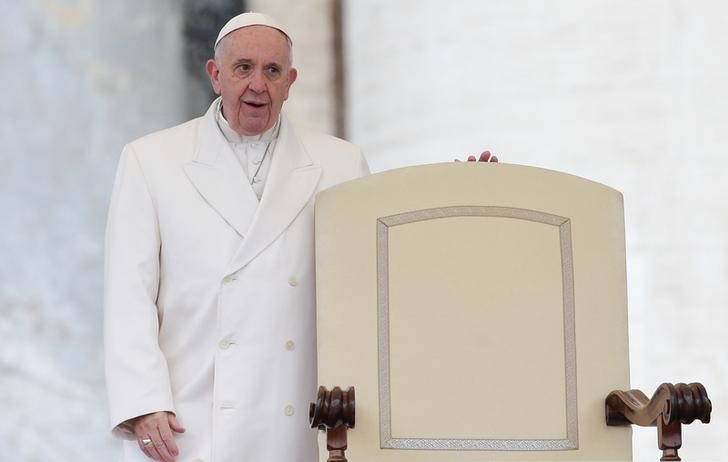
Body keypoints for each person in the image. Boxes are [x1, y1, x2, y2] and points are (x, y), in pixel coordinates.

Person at [104, 12, 369, 462]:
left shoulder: (341, 163)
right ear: (215, 75)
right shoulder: (151, 160)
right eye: (243, 68)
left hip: (295, 418)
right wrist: (143, 401)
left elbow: (377, 275)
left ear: (291, 81)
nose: (257, 85)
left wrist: (474, 195)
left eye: (272, 71)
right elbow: (127, 295)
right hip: (190, 419)